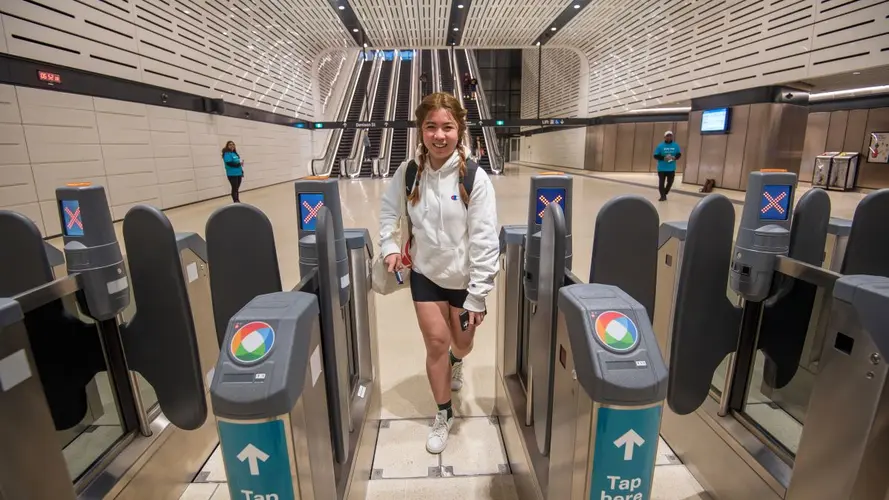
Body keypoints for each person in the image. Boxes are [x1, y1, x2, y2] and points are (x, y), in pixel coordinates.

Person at [378, 92, 499, 454]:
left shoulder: (474, 177)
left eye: (447, 126)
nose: (439, 135)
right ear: (420, 130)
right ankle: (444, 413)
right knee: (435, 343)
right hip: (426, 275)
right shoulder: (409, 172)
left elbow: (484, 239)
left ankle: (456, 362)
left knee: (462, 344)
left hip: (464, 280)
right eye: (431, 127)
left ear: (459, 130)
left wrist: (478, 293)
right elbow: (388, 213)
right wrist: (388, 247)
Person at [653, 130, 681, 201]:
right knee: (661, 183)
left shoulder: (675, 145)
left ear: (672, 137)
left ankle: (665, 192)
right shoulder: (660, 146)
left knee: (670, 182)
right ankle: (663, 196)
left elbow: (679, 154)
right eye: (667, 136)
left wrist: (675, 157)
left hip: (671, 168)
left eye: (670, 136)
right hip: (662, 168)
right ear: (664, 137)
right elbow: (655, 156)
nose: (669, 137)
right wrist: (663, 158)